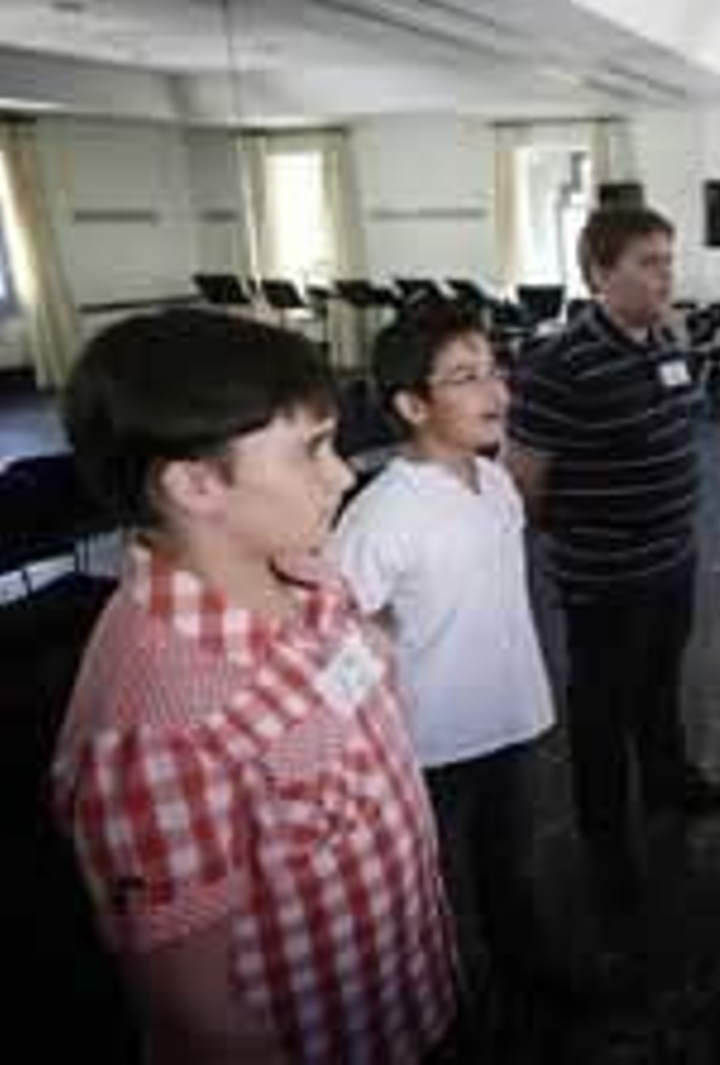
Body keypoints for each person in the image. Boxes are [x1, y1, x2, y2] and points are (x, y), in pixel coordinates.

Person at [52, 310, 457, 1063]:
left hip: (406, 990)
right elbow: (199, 1017)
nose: (342, 473)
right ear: (196, 483)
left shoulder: (303, 569)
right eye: (311, 451)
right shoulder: (157, 730)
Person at [331, 304, 562, 1056]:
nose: (494, 388)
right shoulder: (380, 514)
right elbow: (333, 634)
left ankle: (528, 976)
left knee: (511, 869)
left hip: (507, 714)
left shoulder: (495, 484)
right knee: (423, 898)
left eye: (494, 368)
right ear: (411, 404)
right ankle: (437, 1013)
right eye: (464, 377)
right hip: (425, 742)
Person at [507, 204, 720, 911]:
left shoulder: (661, 339)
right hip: (606, 575)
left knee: (661, 681)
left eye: (669, 258)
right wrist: (578, 534)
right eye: (649, 261)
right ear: (600, 272)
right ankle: (606, 843)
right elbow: (525, 480)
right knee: (602, 711)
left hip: (673, 556)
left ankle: (668, 780)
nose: (667, 274)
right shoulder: (559, 362)